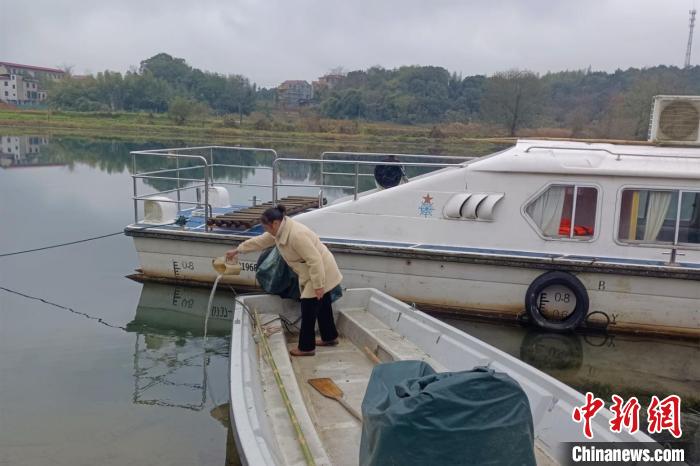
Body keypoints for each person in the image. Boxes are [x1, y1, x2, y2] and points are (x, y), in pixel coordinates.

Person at [225, 204, 343, 356]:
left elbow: (315, 261)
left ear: (274, 223)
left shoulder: (296, 235)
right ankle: (330, 338)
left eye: (266, 227)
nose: (266, 230)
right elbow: (260, 241)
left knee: (308, 307)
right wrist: (238, 250)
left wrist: (318, 285)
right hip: (313, 272)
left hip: (321, 271)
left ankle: (306, 348)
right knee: (323, 304)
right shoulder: (279, 231)